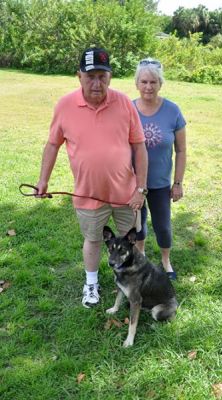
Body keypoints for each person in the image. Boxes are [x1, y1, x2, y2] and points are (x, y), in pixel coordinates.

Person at [35, 47, 148, 308]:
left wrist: (140, 189)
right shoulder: (65, 105)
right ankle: (91, 284)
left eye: (102, 76)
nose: (97, 83)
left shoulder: (123, 103)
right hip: (88, 193)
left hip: (126, 192)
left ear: (110, 77)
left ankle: (137, 282)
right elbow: (53, 144)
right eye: (91, 76)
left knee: (134, 239)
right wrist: (43, 180)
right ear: (79, 77)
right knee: (94, 239)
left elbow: (139, 146)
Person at [133, 58, 186, 280]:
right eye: (144, 81)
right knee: (138, 226)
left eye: (153, 82)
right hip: (134, 184)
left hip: (161, 183)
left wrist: (177, 183)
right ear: (137, 83)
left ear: (160, 83)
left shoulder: (172, 110)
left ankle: (165, 260)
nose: (148, 87)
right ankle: (141, 257)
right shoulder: (129, 108)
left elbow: (181, 150)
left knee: (163, 226)